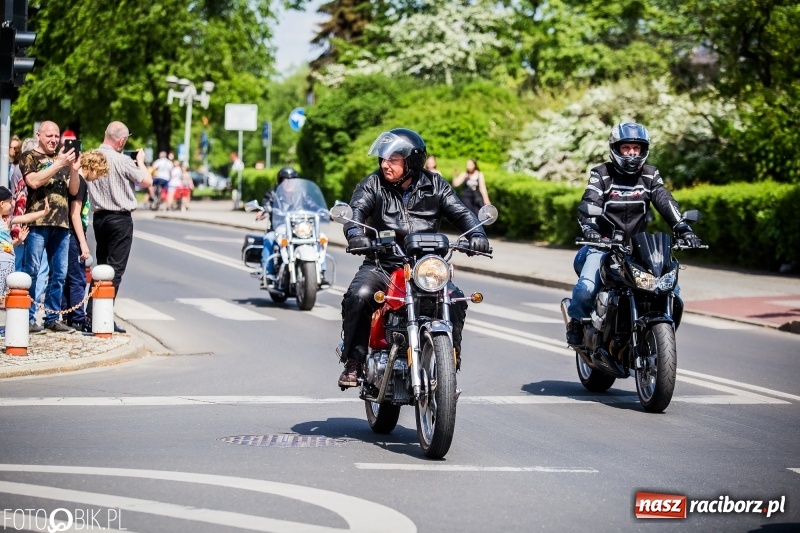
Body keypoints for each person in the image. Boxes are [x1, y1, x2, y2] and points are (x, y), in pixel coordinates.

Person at [337, 128, 490, 387]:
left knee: (456, 300)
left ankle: (449, 359)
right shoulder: (372, 184)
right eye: (384, 159)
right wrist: (355, 233)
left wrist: (478, 233)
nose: (385, 164)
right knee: (359, 296)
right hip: (384, 264)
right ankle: (355, 361)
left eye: (393, 160)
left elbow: (462, 213)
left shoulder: (436, 186)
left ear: (412, 161)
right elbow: (356, 211)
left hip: (426, 267)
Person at [565, 122, 704, 345]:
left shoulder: (650, 175)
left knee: (672, 290)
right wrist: (590, 230)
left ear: (643, 150)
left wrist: (683, 229)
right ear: (616, 149)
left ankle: (655, 334)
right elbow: (590, 201)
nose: (631, 153)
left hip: (638, 250)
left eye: (636, 148)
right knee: (586, 288)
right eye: (626, 148)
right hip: (603, 246)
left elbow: (664, 200)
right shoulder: (601, 174)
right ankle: (577, 322)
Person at [79, 122, 152, 334]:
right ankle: (102, 317)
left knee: (100, 268)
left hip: (99, 218)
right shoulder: (122, 160)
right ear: (121, 141)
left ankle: (91, 314)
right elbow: (147, 181)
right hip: (120, 219)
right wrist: (140, 162)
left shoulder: (92, 158)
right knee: (115, 271)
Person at [19, 121, 81, 333]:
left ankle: (52, 317)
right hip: (38, 222)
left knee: (59, 273)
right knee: (32, 271)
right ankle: (26, 317)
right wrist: (58, 164)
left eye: (56, 136)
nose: (54, 140)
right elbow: (34, 181)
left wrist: (73, 170)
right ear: (39, 135)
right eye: (49, 136)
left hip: (61, 224)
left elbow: (73, 191)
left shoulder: (62, 159)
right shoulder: (29, 156)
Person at [61, 150, 108, 329]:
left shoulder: (75, 180)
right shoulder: (80, 183)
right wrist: (83, 243)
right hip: (73, 234)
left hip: (71, 234)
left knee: (68, 276)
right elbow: (75, 214)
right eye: (99, 173)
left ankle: (68, 313)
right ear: (92, 167)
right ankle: (78, 318)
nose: (98, 178)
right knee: (78, 278)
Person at [0, 188, 49, 302]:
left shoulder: (7, 220)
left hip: (9, 264)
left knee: (6, 298)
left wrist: (18, 240)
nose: (12, 205)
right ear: (2, 204)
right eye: (9, 202)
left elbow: (26, 217)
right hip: (1, 264)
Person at [255, 166, 299, 287]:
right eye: (285, 180)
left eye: (292, 180)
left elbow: (312, 205)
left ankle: (320, 272)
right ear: (280, 182)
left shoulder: (301, 195)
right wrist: (263, 210)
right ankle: (267, 273)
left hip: (298, 230)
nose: (289, 183)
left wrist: (327, 212)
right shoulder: (273, 193)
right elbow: (266, 203)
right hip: (278, 229)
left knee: (318, 238)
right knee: (268, 238)